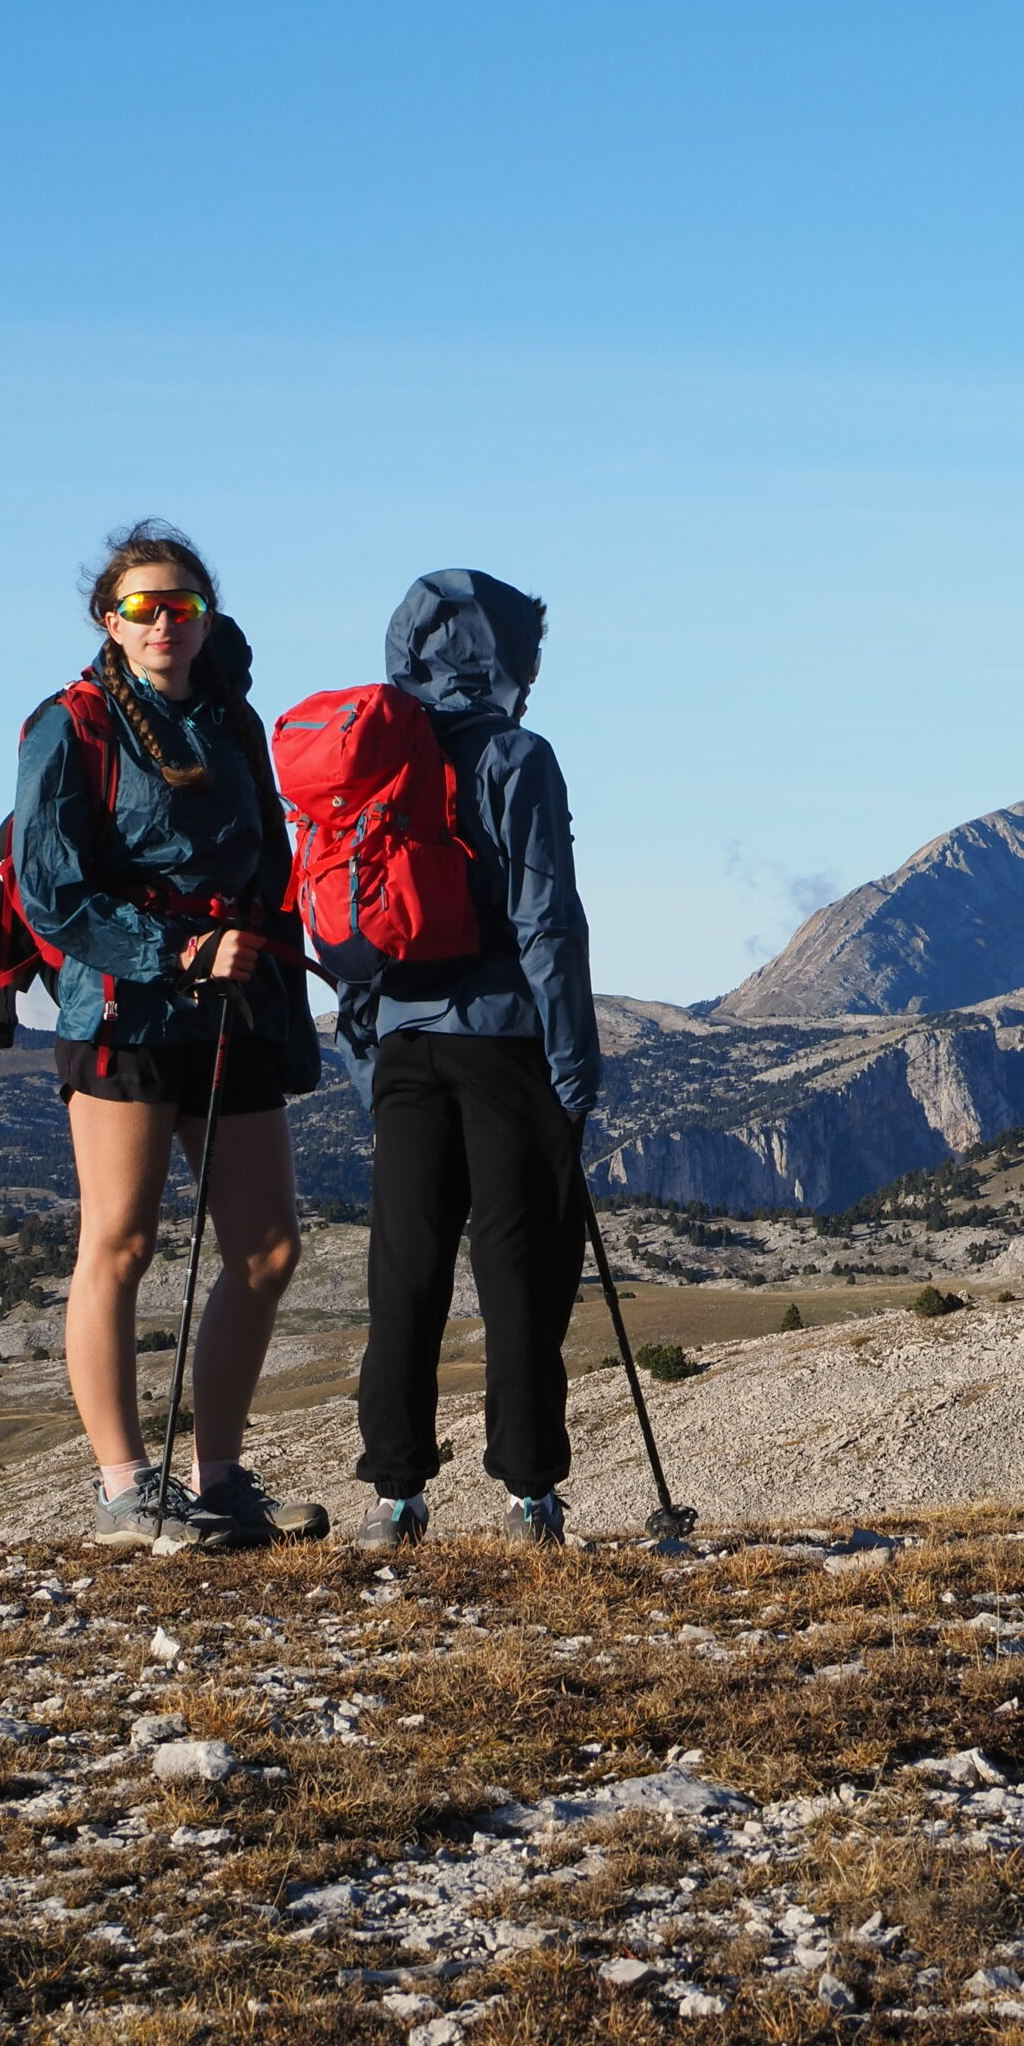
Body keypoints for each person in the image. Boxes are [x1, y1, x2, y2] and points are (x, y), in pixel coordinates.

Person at [14, 520, 328, 1550]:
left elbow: (267, 857)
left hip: (231, 1005)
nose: (164, 623)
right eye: (142, 608)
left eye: (181, 605)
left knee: (268, 1247)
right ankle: (123, 1489)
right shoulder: (69, 727)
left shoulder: (233, 720)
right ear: (110, 620)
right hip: (123, 1010)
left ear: (205, 616)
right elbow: (54, 892)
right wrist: (180, 951)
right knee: (123, 1241)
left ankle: (219, 1481)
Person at [333, 571, 599, 1550]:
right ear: (507, 661)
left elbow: (349, 927)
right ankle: (530, 1497)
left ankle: (395, 1496)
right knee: (518, 1270)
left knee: (406, 1268)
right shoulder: (518, 757)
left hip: (403, 1045)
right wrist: (572, 1067)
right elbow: (545, 919)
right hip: (503, 1044)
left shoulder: (378, 759)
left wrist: (371, 1061)